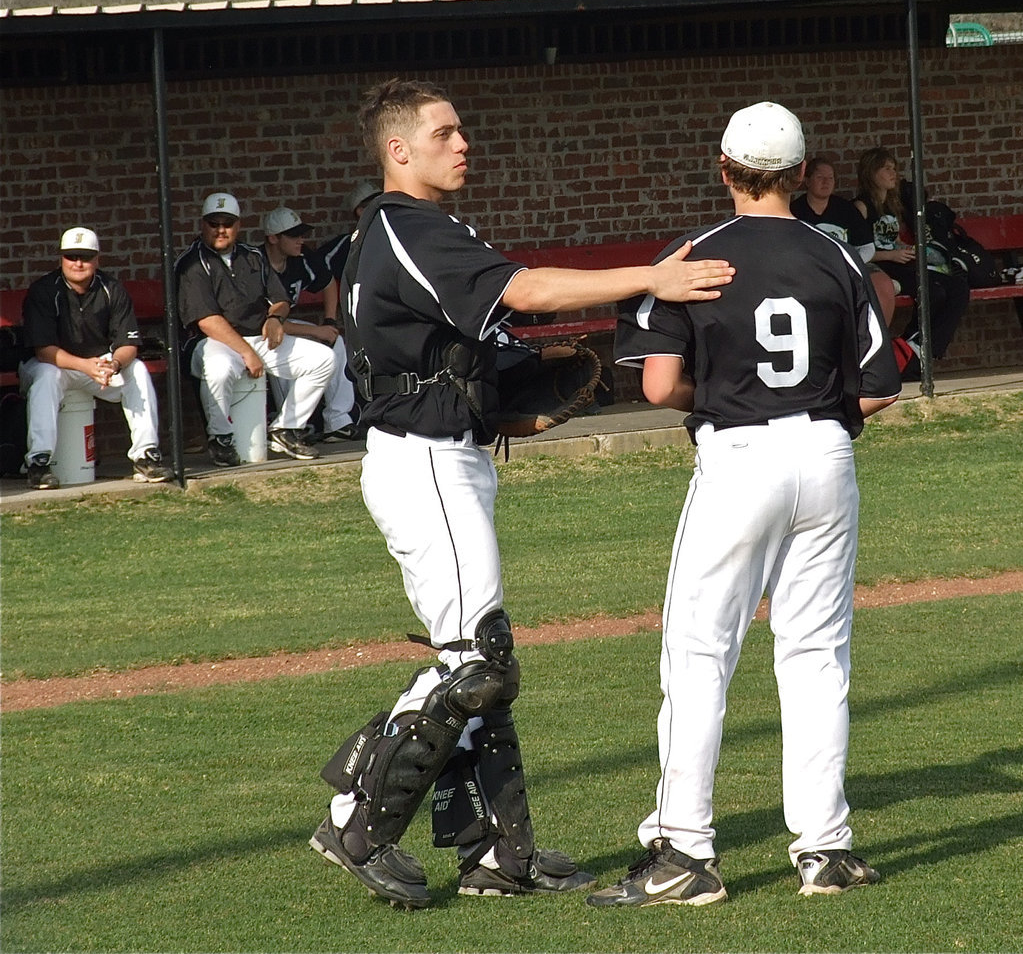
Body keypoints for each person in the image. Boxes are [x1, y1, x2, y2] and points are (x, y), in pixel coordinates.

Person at [308, 77, 734, 910]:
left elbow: (452, 347)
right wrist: (650, 278)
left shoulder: (402, 229)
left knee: (482, 660)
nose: (462, 143)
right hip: (423, 462)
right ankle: (353, 821)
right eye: (445, 132)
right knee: (474, 665)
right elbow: (528, 290)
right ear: (400, 151)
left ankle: (499, 854)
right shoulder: (408, 227)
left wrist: (503, 384)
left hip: (440, 455)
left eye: (460, 130)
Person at [588, 102, 899, 908]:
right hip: (826, 456)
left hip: (739, 452)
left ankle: (685, 854)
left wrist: (723, 397)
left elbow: (658, 384)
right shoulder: (835, 255)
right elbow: (876, 389)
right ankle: (824, 849)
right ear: (800, 176)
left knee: (699, 656)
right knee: (817, 655)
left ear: (724, 169)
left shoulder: (693, 257)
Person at [175, 192, 335, 466]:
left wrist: (275, 318)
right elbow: (207, 320)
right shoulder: (191, 262)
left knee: (322, 359)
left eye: (228, 223)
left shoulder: (252, 256)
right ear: (203, 224)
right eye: (214, 223)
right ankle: (221, 438)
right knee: (220, 368)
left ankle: (287, 427)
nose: (221, 230)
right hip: (212, 342)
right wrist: (247, 352)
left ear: (238, 225)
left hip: (257, 336)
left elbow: (281, 299)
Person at [20, 227, 173, 489]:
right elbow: (43, 350)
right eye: (71, 256)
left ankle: (145, 455)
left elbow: (128, 344)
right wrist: (86, 366)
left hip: (100, 367)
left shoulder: (111, 288)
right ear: (61, 259)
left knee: (135, 369)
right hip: (55, 366)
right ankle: (39, 462)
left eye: (86, 256)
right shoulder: (44, 290)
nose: (78, 263)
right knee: (47, 375)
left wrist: (113, 364)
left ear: (97, 259)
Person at [853, 146, 969, 370]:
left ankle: (917, 347)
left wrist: (907, 249)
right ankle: (913, 347)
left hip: (902, 261)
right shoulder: (861, 207)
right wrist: (892, 254)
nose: (893, 173)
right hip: (881, 266)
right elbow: (860, 251)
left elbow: (891, 240)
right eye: (886, 168)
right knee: (932, 292)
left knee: (958, 287)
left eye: (894, 168)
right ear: (871, 172)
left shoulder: (892, 205)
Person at [260, 206, 360, 441]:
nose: (301, 240)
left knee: (335, 341)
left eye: (301, 234)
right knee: (285, 343)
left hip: (287, 325)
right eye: (294, 235)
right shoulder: (255, 263)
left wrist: (329, 320)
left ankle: (338, 421)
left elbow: (327, 283)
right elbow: (266, 322)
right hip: (259, 334)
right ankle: (291, 427)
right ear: (274, 238)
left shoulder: (302, 257)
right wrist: (316, 330)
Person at [791, 155, 896, 324]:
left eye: (830, 178)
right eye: (820, 177)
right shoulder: (794, 211)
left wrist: (849, 263)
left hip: (847, 267)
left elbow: (867, 246)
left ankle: (876, 343)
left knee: (883, 284)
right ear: (807, 181)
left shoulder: (846, 209)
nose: (826, 182)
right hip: (811, 271)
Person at [317, 179, 381, 285]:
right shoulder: (348, 244)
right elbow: (317, 265)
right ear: (360, 211)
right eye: (376, 206)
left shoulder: (395, 238)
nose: (383, 209)